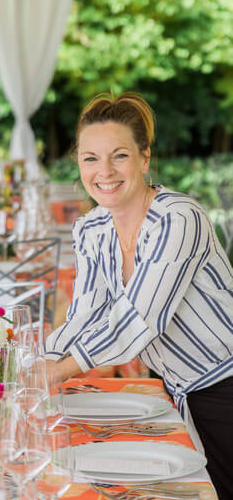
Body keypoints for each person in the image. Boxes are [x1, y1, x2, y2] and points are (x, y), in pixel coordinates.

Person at [44, 91, 233, 500]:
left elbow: (137, 321)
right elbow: (84, 316)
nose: (104, 171)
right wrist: (36, 362)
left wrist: (55, 373)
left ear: (145, 158)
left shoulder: (179, 218)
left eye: (120, 156)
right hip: (172, 388)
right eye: (90, 158)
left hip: (225, 383)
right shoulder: (92, 230)